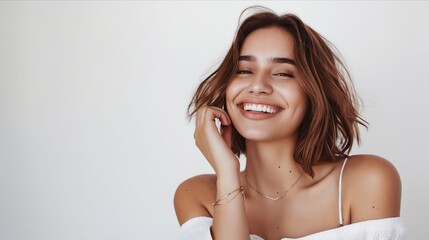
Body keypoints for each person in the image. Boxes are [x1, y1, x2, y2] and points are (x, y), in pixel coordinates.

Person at [174, 6, 406, 240]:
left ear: (314, 93)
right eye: (244, 70)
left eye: (283, 73)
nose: (257, 86)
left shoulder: (367, 181)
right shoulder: (196, 195)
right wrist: (227, 174)